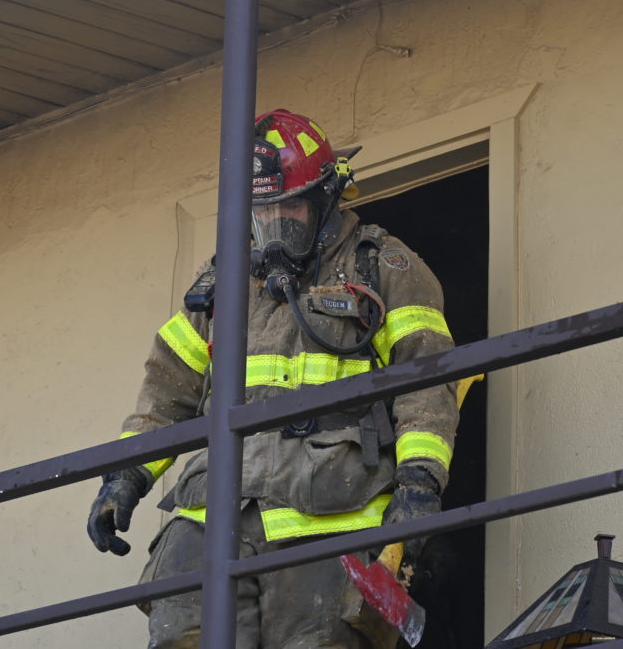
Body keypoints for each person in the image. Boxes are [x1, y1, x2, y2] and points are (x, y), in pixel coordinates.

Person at [88, 108, 460, 648]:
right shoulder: (220, 283)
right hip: (213, 519)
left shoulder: (383, 267)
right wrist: (125, 477)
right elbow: (165, 392)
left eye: (292, 205)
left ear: (328, 196)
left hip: (330, 517)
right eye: (263, 210)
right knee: (181, 639)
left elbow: (427, 383)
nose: (277, 222)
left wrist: (419, 484)